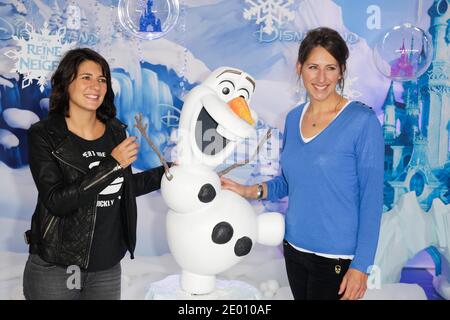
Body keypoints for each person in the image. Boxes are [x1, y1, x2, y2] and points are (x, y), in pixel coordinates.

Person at [221, 27, 384, 300]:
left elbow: (372, 199)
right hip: (295, 249)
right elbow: (290, 181)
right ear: (299, 68)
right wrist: (249, 191)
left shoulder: (361, 121)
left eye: (330, 68)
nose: (321, 78)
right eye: (313, 67)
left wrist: (361, 266)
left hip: (336, 258)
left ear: (341, 71)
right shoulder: (294, 117)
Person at [23, 48, 166, 300]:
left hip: (106, 266)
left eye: (102, 79)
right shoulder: (45, 134)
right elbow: (57, 201)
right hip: (57, 265)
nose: (96, 86)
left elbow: (122, 185)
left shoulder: (114, 131)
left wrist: (168, 173)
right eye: (86, 77)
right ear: (67, 82)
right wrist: (112, 164)